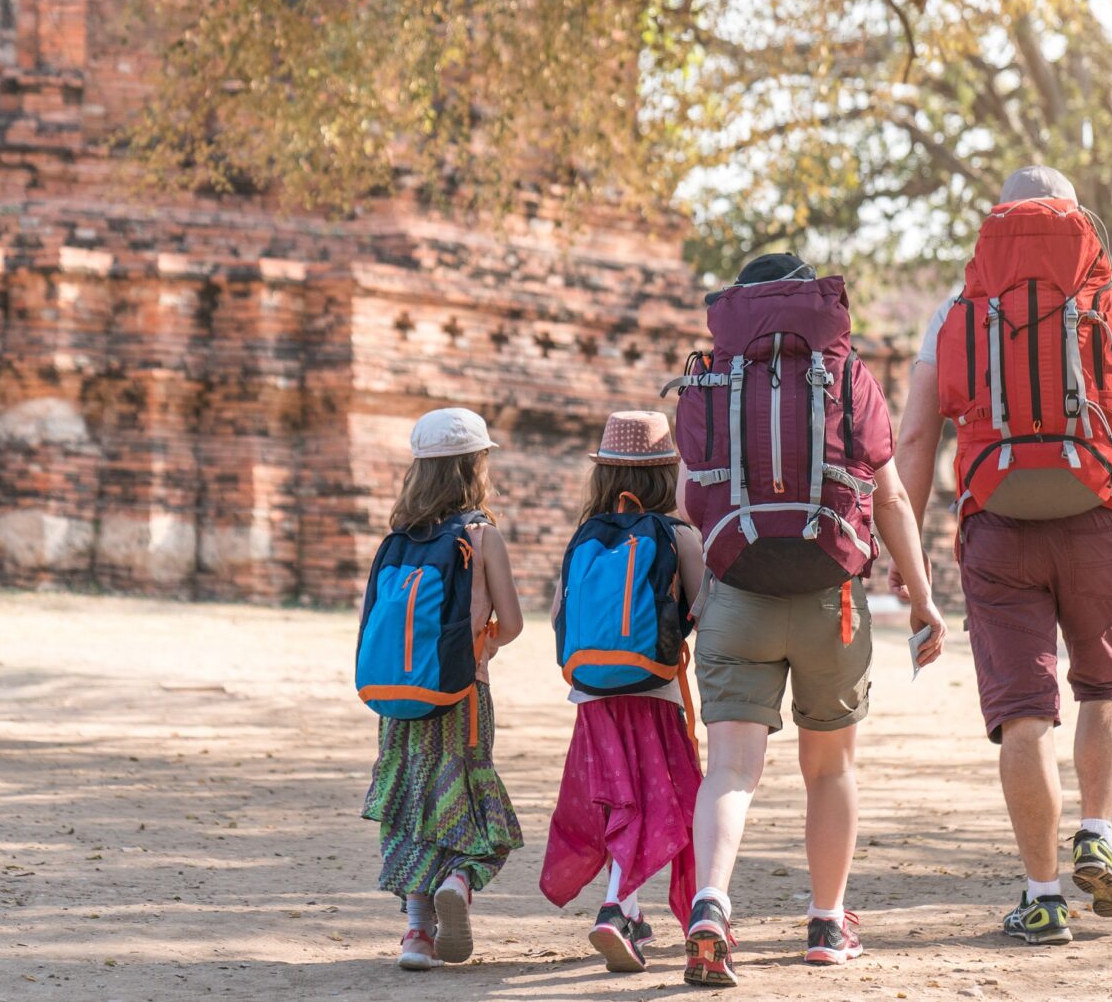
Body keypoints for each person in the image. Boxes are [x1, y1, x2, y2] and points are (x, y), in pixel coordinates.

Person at [893, 165, 1112, 947]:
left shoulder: (956, 313)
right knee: (1106, 687)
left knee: (1023, 715)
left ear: (998, 220)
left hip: (996, 528)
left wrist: (906, 565)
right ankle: (1099, 830)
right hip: (1099, 523)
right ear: (1080, 222)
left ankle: (1042, 896)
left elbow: (913, 440)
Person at [668, 253, 946, 987]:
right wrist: (920, 594)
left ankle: (709, 907)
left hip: (736, 592)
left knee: (730, 768)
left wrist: (703, 592)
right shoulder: (847, 373)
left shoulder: (711, 376)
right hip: (835, 595)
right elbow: (888, 500)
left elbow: (691, 501)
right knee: (831, 769)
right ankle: (827, 921)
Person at [355, 408, 524, 971]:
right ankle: (459, 878)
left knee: (409, 805)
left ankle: (416, 934)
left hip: (399, 701)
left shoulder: (396, 540)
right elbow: (515, 622)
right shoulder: (481, 535)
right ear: (475, 466)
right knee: (467, 798)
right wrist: (486, 642)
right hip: (463, 694)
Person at [539, 411, 707, 973]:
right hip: (655, 692)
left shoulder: (584, 537)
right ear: (668, 474)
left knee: (620, 801)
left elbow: (558, 616)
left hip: (592, 695)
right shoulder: (677, 533)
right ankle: (614, 910)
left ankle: (629, 912)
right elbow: (707, 609)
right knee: (665, 801)